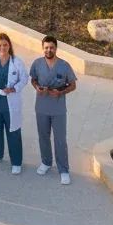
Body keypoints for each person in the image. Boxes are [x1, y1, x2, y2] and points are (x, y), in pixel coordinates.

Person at [29, 34, 77, 183]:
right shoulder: (37, 63)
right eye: (46, 48)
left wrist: (61, 92)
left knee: (60, 139)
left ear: (56, 48)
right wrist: (37, 87)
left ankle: (63, 169)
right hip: (42, 106)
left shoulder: (64, 65)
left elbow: (73, 85)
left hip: (58, 108)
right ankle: (46, 162)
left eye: (51, 47)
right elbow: (33, 79)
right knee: (43, 136)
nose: (48, 50)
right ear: (42, 49)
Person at [0, 31, 29, 174]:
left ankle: (16, 162)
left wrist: (14, 88)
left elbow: (24, 79)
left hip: (10, 101)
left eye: (5, 45)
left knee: (13, 131)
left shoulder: (16, 62)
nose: (2, 48)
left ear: (9, 46)